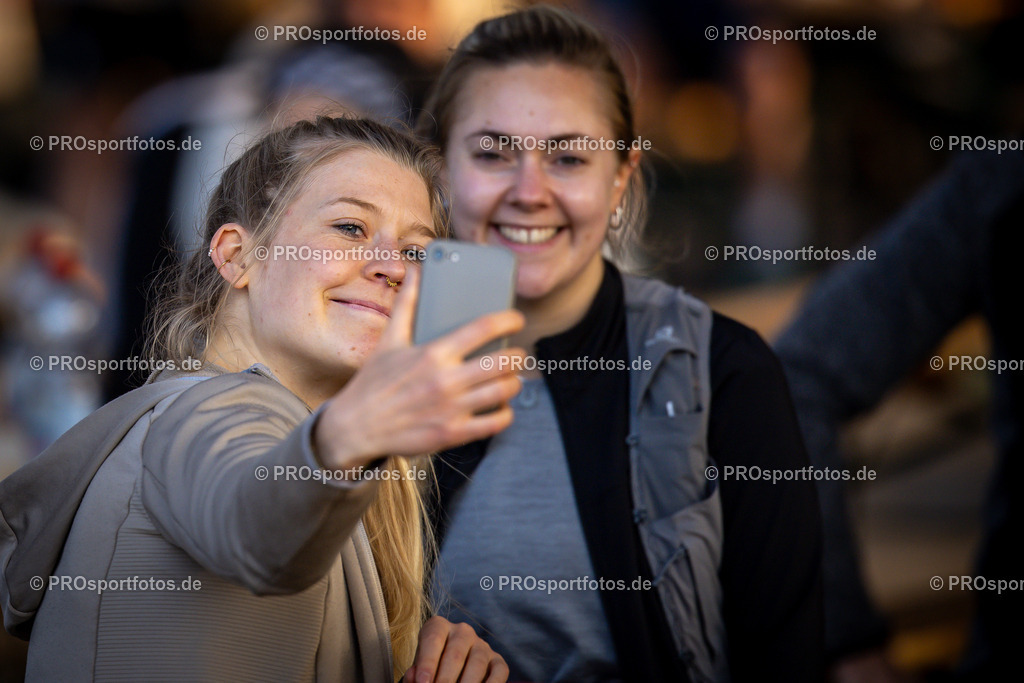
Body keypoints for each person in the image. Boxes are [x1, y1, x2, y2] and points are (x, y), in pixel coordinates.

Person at [0, 116, 521, 682]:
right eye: (350, 227)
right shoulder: (208, 409)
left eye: (418, 253)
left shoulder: (322, 455)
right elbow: (257, 529)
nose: (394, 267)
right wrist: (352, 435)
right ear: (237, 256)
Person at [416, 7, 823, 682]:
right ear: (441, 169)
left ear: (621, 178)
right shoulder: (382, 355)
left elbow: (785, 658)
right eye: (492, 153)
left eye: (568, 156)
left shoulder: (722, 372)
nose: (529, 192)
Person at [775, 148, 1024, 682]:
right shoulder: (1000, 186)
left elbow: (791, 381)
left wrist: (845, 641)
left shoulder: (999, 182)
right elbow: (790, 384)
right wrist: (849, 640)